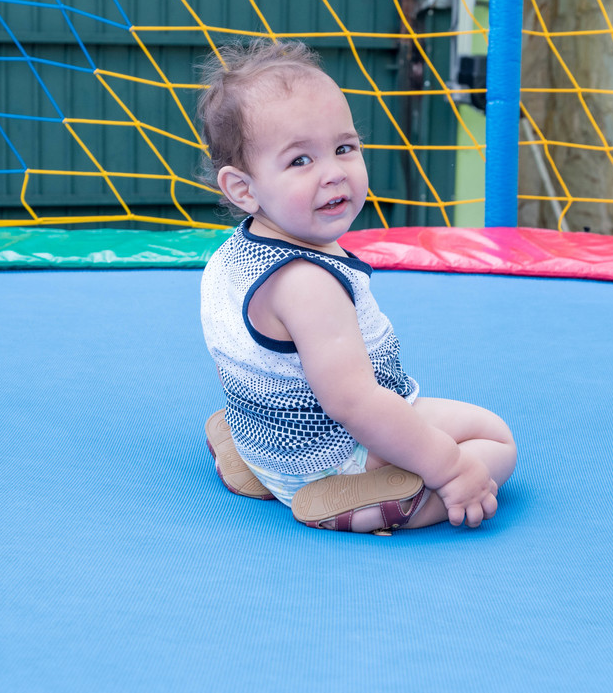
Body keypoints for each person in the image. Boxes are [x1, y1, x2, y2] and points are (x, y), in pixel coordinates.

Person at [198, 39, 516, 534]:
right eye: (300, 161)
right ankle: (373, 503)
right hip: (333, 456)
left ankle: (252, 461)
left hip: (268, 439)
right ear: (243, 188)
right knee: (494, 441)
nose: (333, 173)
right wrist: (451, 470)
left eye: (344, 148)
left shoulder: (236, 254)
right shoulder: (307, 283)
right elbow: (355, 404)